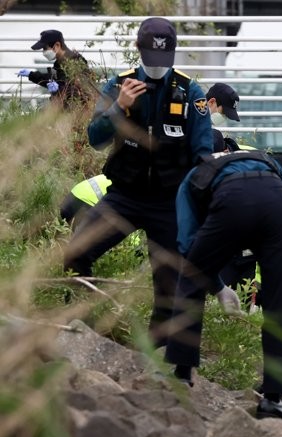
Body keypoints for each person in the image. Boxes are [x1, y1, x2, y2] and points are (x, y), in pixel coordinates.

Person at [64, 17, 212, 346]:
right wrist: (119, 108)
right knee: (75, 253)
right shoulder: (119, 84)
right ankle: (81, 328)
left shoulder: (191, 92)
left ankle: (151, 357)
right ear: (138, 50)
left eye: (164, 59)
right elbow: (95, 138)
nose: (158, 67)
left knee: (169, 288)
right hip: (124, 198)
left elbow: (203, 154)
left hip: (169, 203)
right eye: (151, 58)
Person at [166, 148, 282, 422]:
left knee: (189, 279)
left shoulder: (192, 176)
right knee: (278, 305)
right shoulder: (266, 159)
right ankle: (273, 399)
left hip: (230, 200)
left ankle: (183, 375)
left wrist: (218, 287)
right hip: (276, 205)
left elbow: (187, 245)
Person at [17, 29, 91, 107]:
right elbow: (51, 80)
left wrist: (59, 89)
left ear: (57, 46)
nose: (44, 52)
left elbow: (81, 89)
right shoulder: (58, 63)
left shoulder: (76, 62)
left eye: (45, 48)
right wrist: (31, 74)